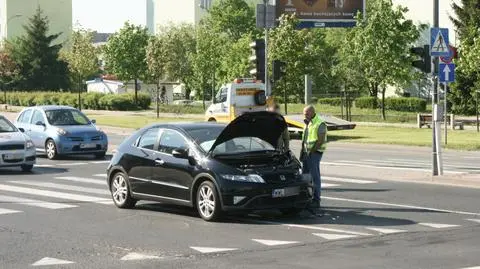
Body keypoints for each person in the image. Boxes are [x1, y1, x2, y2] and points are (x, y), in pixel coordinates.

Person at [300, 105, 327, 212]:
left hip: (315, 153)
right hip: (307, 153)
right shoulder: (308, 122)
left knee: (315, 177)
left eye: (306, 113)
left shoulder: (320, 123)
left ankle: (316, 200)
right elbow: (305, 139)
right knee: (305, 176)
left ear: (312, 112)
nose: (304, 115)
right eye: (304, 113)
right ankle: (306, 198)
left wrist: (311, 152)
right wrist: (302, 152)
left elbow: (320, 141)